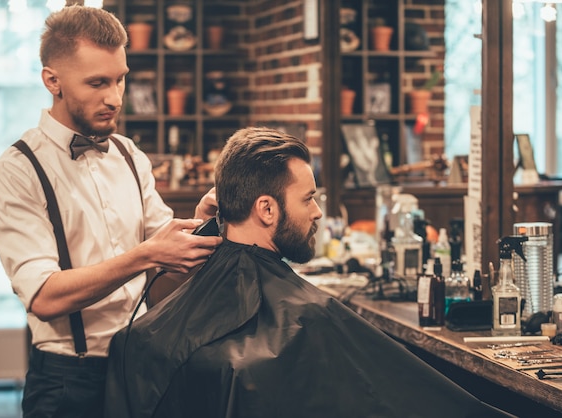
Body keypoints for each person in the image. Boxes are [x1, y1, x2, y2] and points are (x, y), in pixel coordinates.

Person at [104, 127, 511, 418]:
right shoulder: (312, 316)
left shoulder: (142, 336)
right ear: (266, 209)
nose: (317, 212)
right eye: (309, 199)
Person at [0, 5, 221, 418]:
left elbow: (165, 273)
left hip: (141, 366)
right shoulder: (16, 171)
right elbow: (44, 296)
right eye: (97, 83)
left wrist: (201, 225)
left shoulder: (130, 154)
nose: (114, 98)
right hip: (67, 383)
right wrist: (145, 254)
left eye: (120, 80)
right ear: (52, 81)